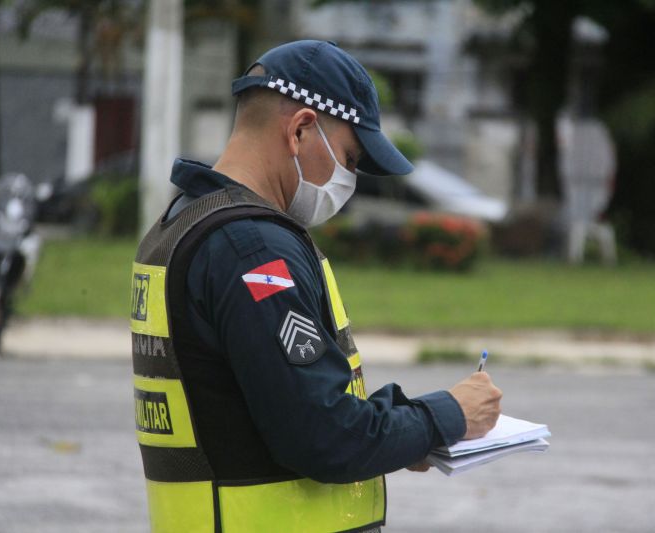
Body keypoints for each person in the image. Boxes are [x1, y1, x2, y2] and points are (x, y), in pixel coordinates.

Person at [130, 40, 502, 533]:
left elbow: (265, 401)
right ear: (302, 129)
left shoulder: (182, 222)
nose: (348, 180)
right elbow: (323, 435)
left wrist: (409, 428)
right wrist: (446, 417)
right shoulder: (253, 249)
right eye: (350, 158)